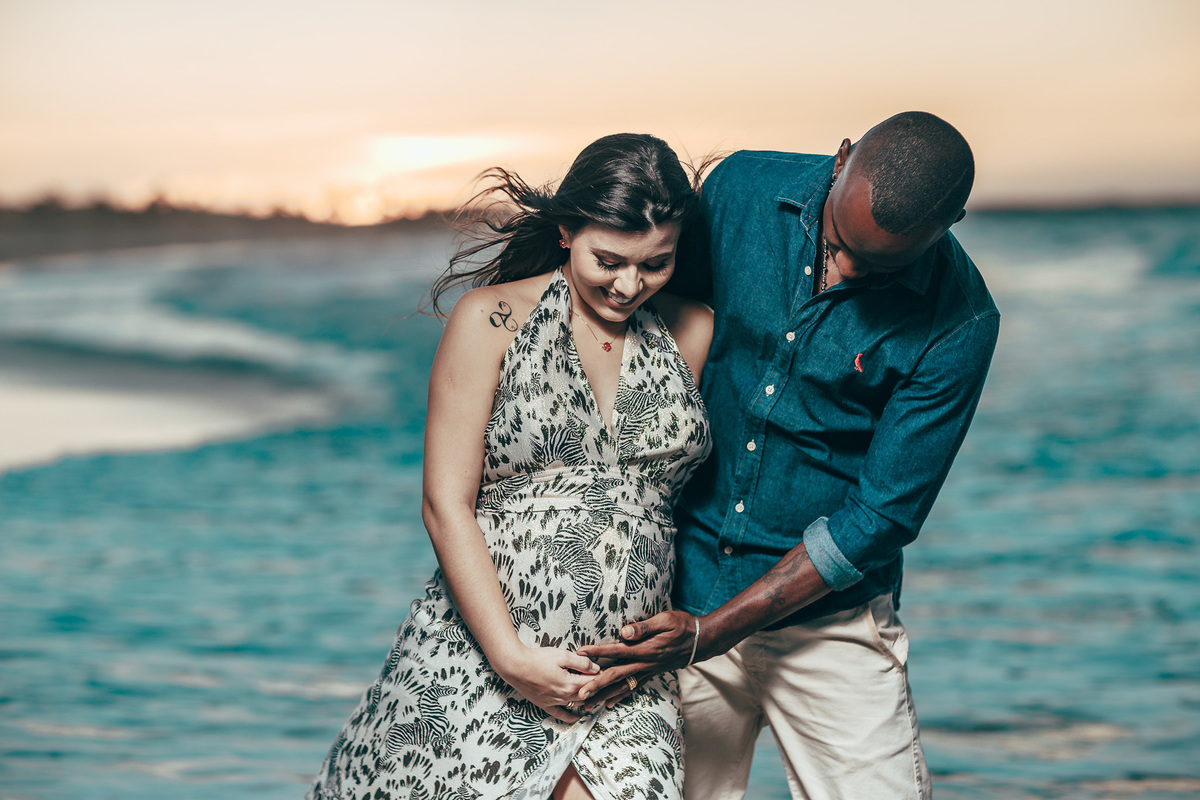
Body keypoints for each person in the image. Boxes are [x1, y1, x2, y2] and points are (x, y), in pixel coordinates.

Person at [576, 112, 1001, 799]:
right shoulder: (740, 190)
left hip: (829, 623)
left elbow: (880, 519)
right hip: (675, 589)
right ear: (841, 159)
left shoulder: (961, 322)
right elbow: (649, 323)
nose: (847, 270)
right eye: (840, 242)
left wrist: (714, 631)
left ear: (950, 223)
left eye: (878, 265)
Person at [306, 133, 714, 800]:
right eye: (608, 260)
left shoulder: (693, 329)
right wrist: (512, 659)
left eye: (655, 264)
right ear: (565, 232)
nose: (628, 285)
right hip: (483, 658)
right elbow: (445, 503)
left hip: (625, 678)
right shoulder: (490, 319)